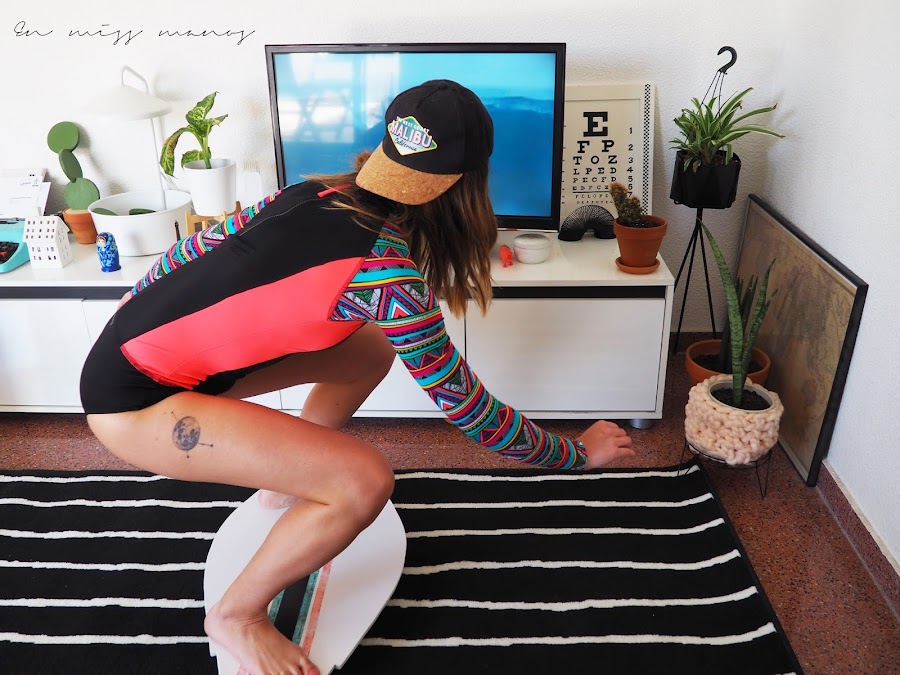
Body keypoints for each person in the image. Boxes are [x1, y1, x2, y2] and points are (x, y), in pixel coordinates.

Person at [80, 80, 634, 675]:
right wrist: (577, 454)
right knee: (365, 482)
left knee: (368, 350)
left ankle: (287, 487)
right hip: (134, 405)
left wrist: (135, 320)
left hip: (137, 358)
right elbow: (470, 410)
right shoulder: (385, 273)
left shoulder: (315, 190)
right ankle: (237, 615)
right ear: (470, 183)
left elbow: (197, 249)